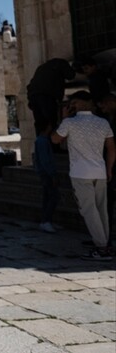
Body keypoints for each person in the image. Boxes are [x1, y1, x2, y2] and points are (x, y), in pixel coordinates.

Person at [53, 91, 115, 260]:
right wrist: (109, 169)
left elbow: (55, 139)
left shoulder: (69, 123)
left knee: (89, 210)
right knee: (101, 209)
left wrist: (64, 118)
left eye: (75, 102)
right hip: (99, 172)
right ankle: (105, 244)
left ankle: (101, 248)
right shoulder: (103, 122)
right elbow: (111, 148)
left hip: (80, 173)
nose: (73, 105)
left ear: (84, 103)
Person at [26, 58, 75, 134]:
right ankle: (53, 140)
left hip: (34, 96)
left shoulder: (41, 68)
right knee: (51, 121)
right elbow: (71, 75)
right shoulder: (61, 63)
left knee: (40, 124)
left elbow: (30, 85)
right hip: (47, 97)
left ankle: (41, 140)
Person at [34, 122, 60, 233]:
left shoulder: (41, 140)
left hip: (44, 172)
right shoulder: (42, 141)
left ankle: (46, 220)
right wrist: (52, 174)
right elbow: (45, 160)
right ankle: (46, 221)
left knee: (47, 197)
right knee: (54, 197)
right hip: (46, 173)